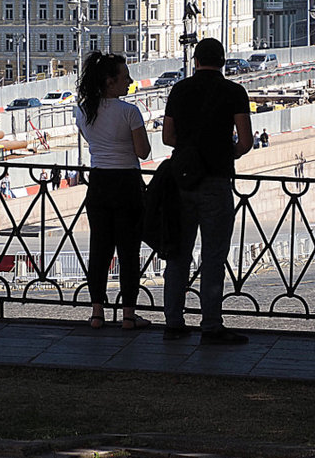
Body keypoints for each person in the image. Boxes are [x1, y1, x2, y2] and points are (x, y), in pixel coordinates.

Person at [162, 38, 253, 345]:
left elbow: (167, 136)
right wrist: (224, 153)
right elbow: (245, 142)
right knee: (213, 256)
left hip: (182, 183)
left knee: (178, 254)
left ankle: (173, 322)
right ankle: (211, 325)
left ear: (196, 61)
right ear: (223, 62)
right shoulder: (234, 92)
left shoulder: (179, 90)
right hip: (216, 182)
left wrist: (191, 151)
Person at [75, 51, 152, 330]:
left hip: (98, 184)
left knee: (100, 250)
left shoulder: (82, 111)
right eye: (125, 76)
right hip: (127, 184)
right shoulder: (129, 112)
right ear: (110, 81)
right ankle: (128, 316)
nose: (130, 81)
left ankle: (97, 313)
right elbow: (143, 152)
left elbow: (94, 142)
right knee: (128, 252)